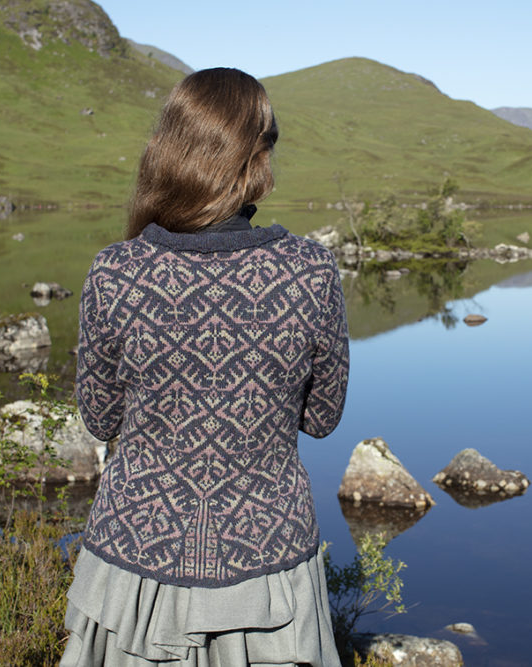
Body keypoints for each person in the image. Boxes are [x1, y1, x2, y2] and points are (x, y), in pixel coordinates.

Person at [61, 68, 349, 667]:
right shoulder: (311, 271)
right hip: (266, 566)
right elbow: (322, 419)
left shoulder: (116, 271)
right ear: (258, 158)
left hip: (136, 563)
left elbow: (99, 415)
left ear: (168, 150)